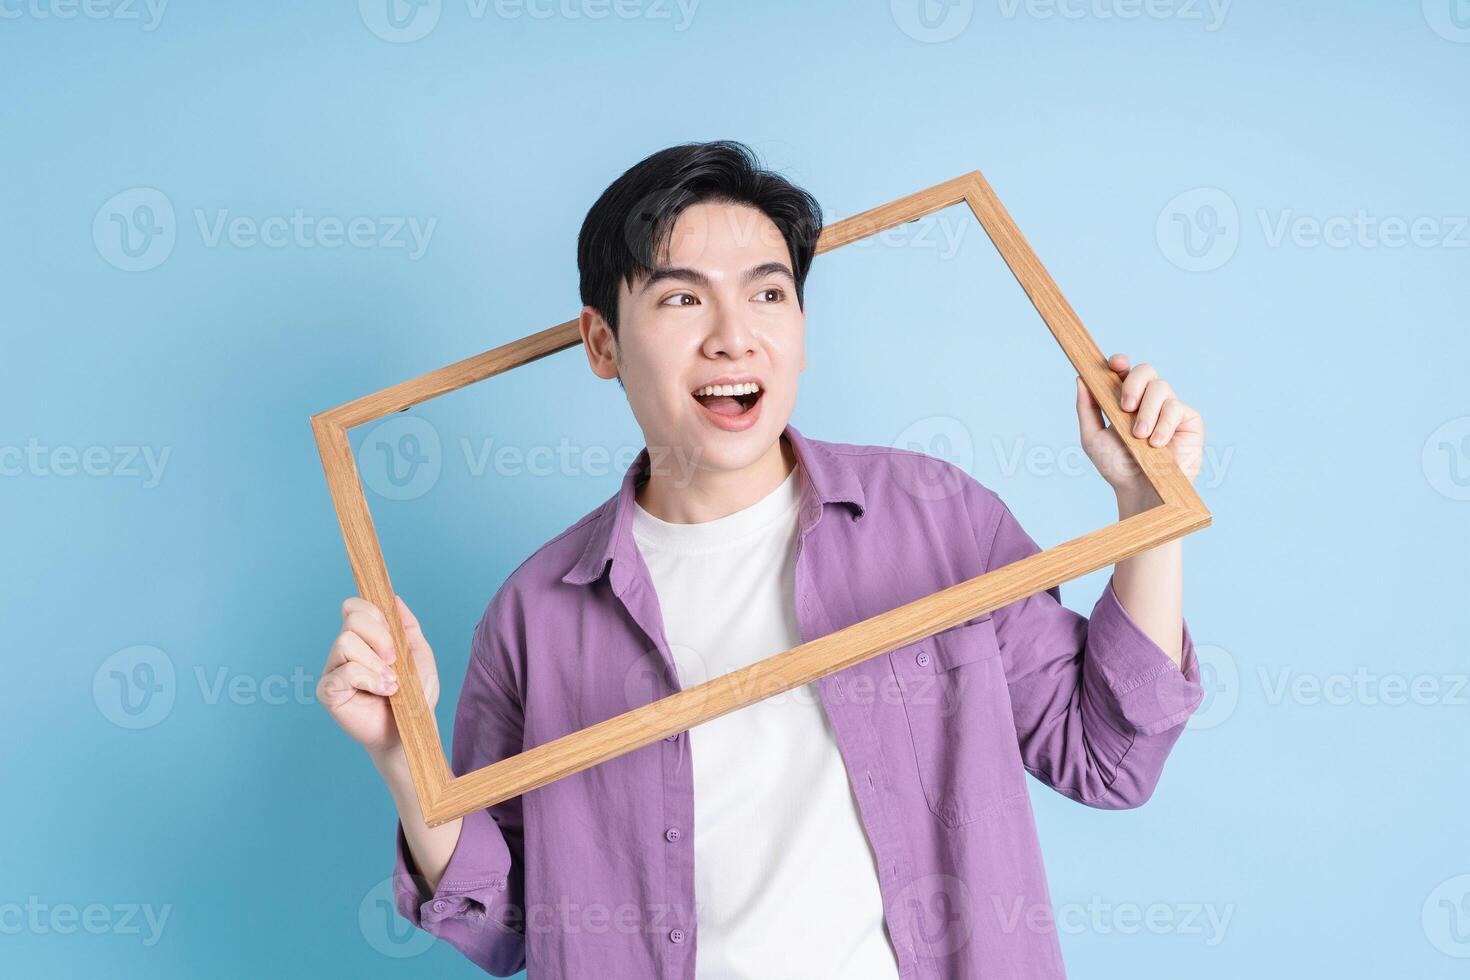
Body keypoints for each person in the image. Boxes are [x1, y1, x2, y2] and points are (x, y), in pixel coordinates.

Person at [317, 140, 1207, 978]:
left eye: (768, 294)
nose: (733, 336)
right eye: (680, 298)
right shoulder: (537, 611)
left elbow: (1108, 759)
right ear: (600, 343)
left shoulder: (937, 518)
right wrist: (407, 759)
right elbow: (503, 925)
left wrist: (1145, 505)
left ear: (803, 327)